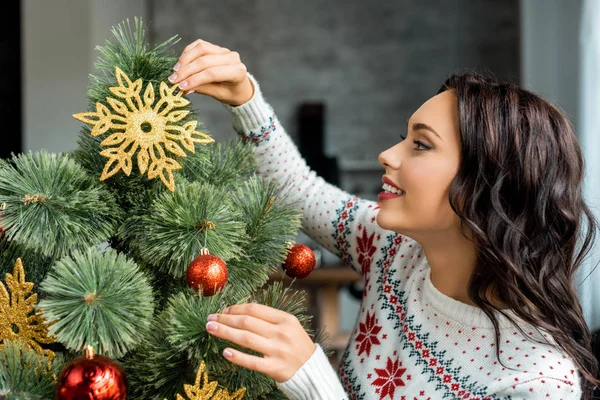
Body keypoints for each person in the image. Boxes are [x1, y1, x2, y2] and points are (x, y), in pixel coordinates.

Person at [168, 38, 600, 399]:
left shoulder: (538, 381)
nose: (387, 155)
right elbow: (301, 191)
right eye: (403, 138)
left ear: (486, 187)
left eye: (421, 145)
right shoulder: (394, 248)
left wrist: (313, 380)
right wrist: (245, 98)